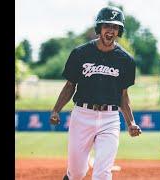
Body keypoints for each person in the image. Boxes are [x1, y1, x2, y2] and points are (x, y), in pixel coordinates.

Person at [49, 6, 142, 180]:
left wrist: (131, 123)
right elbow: (70, 86)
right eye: (107, 25)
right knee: (77, 173)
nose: (111, 30)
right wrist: (56, 110)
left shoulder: (126, 60)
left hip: (110, 118)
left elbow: (123, 96)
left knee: (102, 173)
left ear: (119, 31)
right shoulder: (80, 53)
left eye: (115, 27)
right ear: (99, 28)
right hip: (82, 115)